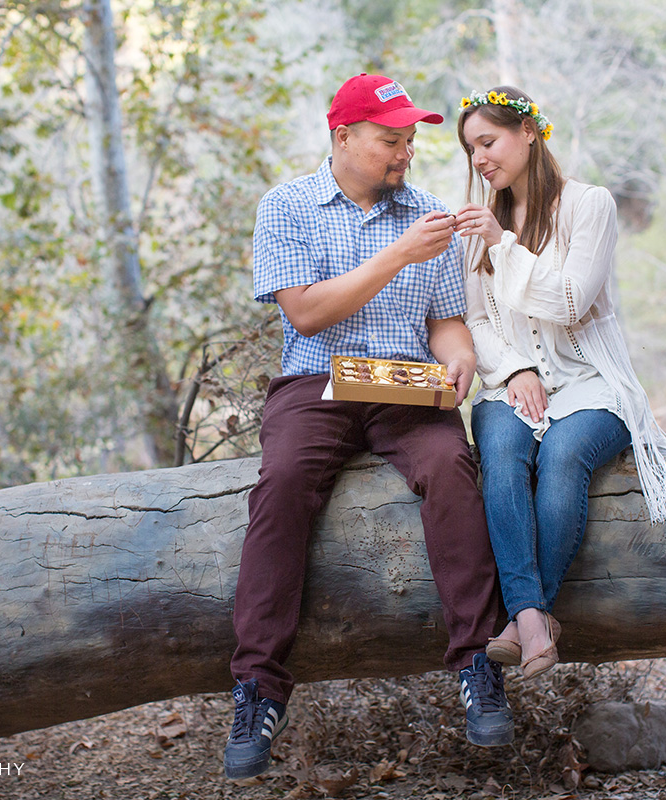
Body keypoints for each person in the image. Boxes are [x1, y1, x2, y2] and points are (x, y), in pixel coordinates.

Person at [224, 74, 513, 781]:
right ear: (343, 136)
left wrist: (460, 360)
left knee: (452, 468)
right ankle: (259, 686)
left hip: (405, 386)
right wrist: (394, 256)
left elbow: (445, 322)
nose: (405, 153)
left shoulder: (430, 215)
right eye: (391, 139)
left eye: (411, 140)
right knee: (283, 482)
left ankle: (478, 664)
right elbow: (307, 314)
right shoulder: (287, 206)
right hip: (317, 381)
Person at [453, 86, 666, 680]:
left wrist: (499, 241)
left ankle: (524, 618)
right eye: (470, 151)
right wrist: (514, 369)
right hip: (511, 386)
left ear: (530, 132)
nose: (480, 159)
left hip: (592, 382)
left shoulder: (589, 205)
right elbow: (477, 321)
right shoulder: (476, 225)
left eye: (488, 142)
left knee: (563, 457)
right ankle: (537, 622)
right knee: (503, 454)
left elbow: (568, 301)